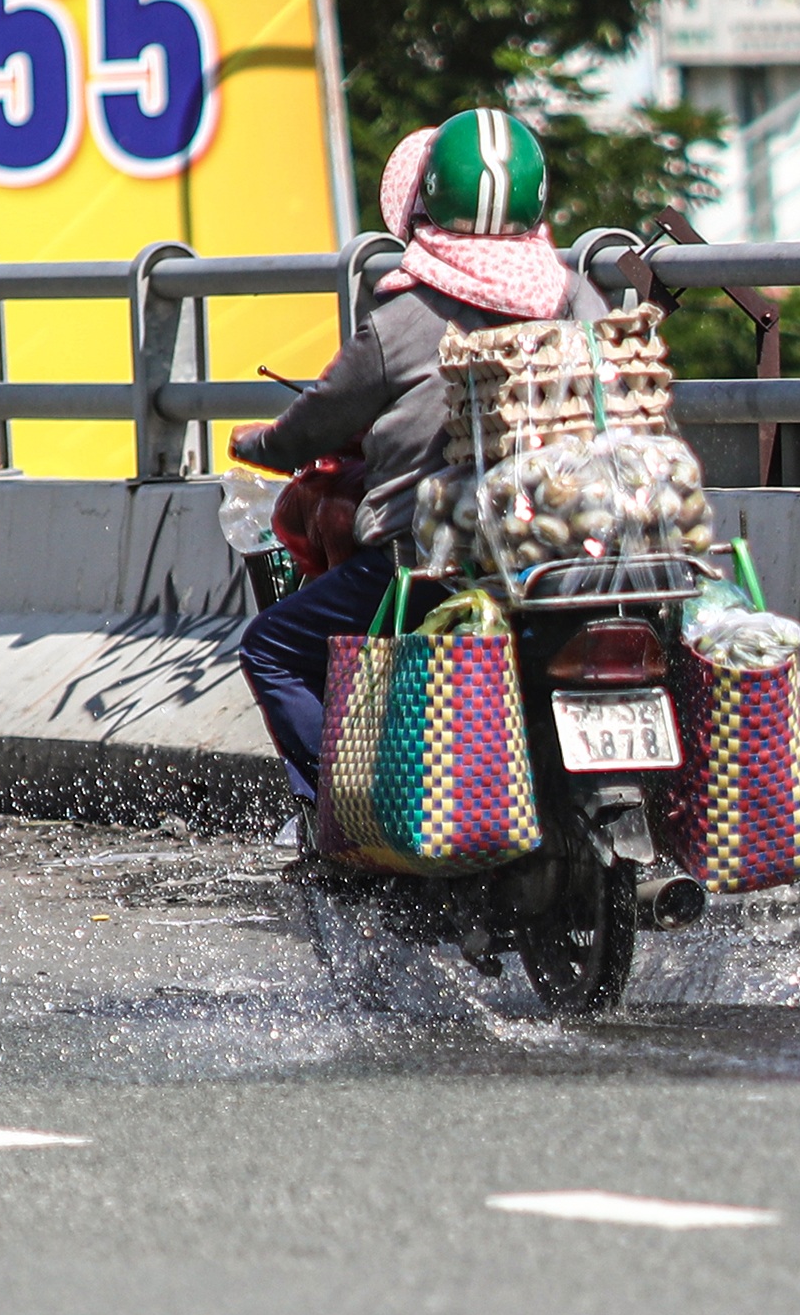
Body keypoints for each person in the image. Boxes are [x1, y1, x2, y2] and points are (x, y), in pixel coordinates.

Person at [232, 107, 607, 819]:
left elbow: (318, 419)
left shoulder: (401, 318)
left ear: (431, 198)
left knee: (272, 648)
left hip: (433, 559)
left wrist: (261, 445)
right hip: (576, 548)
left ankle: (341, 815)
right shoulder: (574, 294)